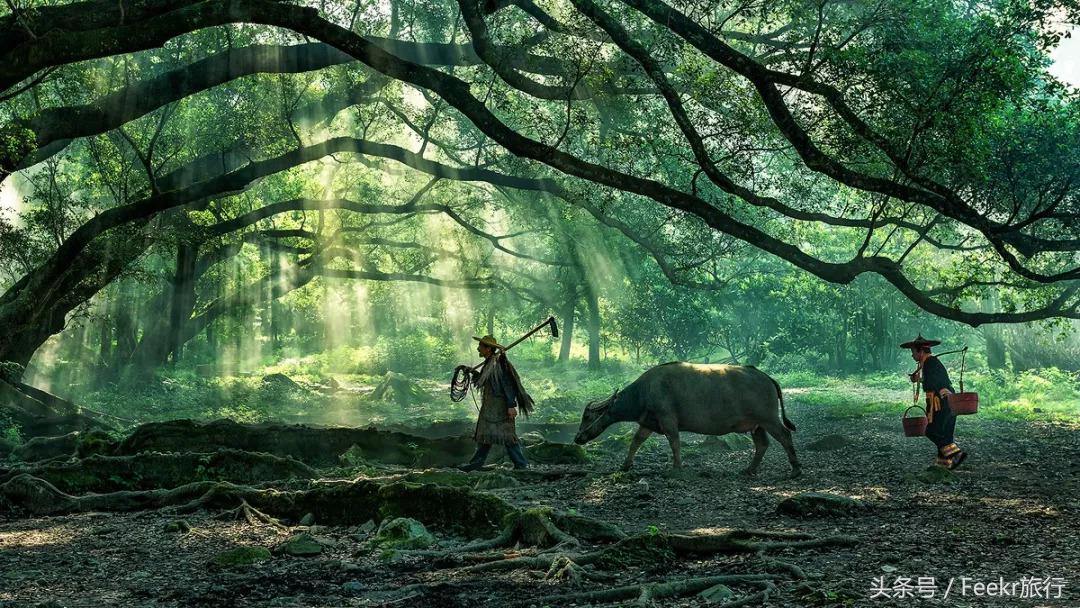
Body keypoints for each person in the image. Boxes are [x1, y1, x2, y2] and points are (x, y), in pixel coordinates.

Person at [458, 335, 534, 471]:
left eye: (481, 346)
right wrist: (472, 372)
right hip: (490, 406)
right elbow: (483, 380)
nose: (478, 348)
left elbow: (507, 385)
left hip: (501, 407)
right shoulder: (489, 363)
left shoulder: (499, 364)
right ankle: (475, 464)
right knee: (485, 436)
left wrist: (511, 406)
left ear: (488, 349)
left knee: (507, 436)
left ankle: (521, 465)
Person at [902, 335, 967, 469]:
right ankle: (943, 466)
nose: (912, 355)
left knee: (931, 431)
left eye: (913, 352)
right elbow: (933, 381)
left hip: (941, 402)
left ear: (921, 351)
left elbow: (939, 383)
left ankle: (956, 455)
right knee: (945, 434)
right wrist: (919, 380)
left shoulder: (930, 362)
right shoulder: (929, 363)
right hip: (945, 401)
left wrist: (942, 391)